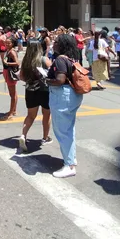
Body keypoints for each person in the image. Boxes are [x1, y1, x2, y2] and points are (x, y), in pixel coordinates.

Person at [45, 34, 84, 178]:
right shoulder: (72, 57)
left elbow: (60, 80)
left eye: (56, 42)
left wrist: (47, 79)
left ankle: (69, 165)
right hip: (73, 95)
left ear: (61, 45)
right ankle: (71, 158)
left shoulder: (61, 59)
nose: (53, 44)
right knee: (69, 129)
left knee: (62, 132)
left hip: (62, 96)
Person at [18, 42, 52, 152]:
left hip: (30, 90)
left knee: (30, 116)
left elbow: (22, 77)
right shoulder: (44, 60)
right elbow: (52, 74)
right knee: (46, 115)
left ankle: (23, 135)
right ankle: (45, 137)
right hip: (44, 91)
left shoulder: (26, 61)